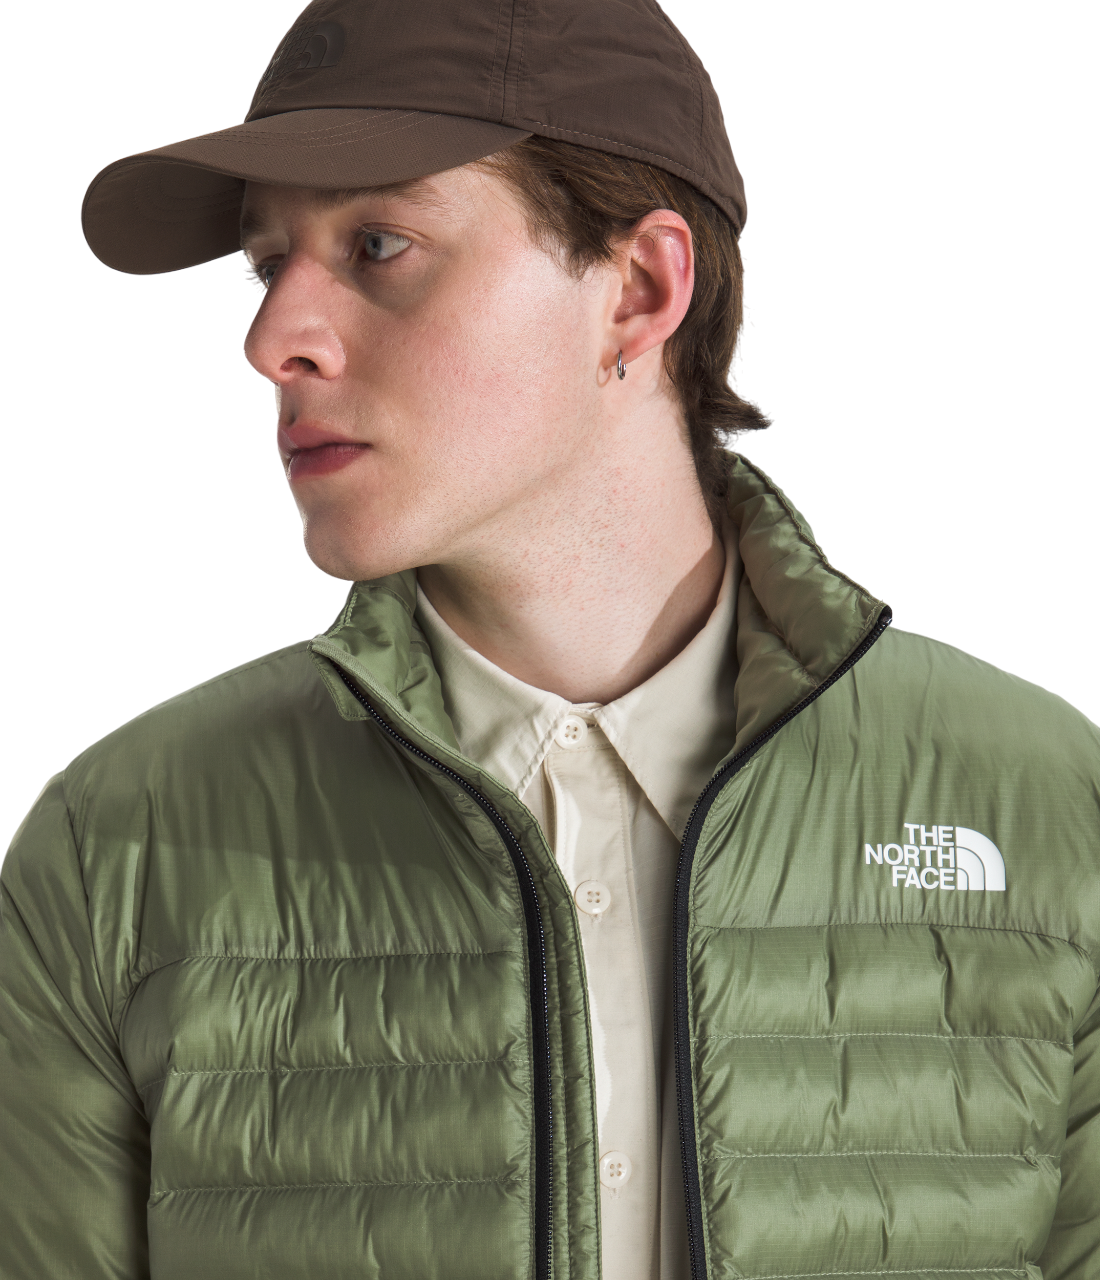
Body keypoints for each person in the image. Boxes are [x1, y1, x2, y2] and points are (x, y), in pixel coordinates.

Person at [1, 0, 1097, 1277]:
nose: (270, 339)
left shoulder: (1042, 813)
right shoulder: (116, 853)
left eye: (377, 243)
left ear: (637, 291)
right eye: (267, 264)